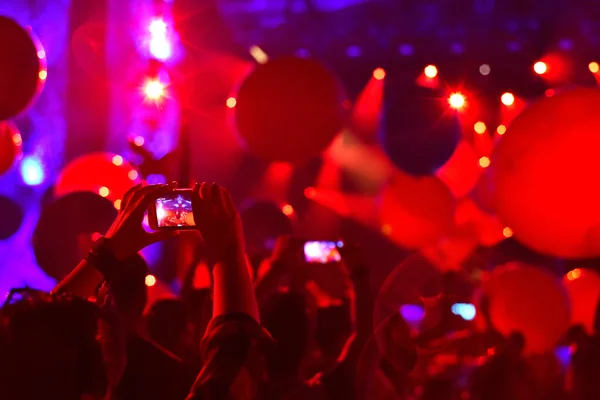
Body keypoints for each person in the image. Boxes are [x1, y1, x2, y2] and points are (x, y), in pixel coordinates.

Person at [53, 182, 270, 399]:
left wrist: (108, 250)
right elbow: (229, 372)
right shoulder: (174, 375)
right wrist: (227, 251)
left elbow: (39, 330)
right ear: (142, 299)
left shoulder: (59, 374)